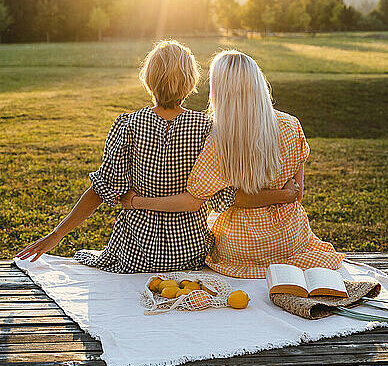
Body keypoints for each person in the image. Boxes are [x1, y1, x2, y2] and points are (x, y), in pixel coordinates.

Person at [16, 40, 241, 272]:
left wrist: (56, 235)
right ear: (191, 81)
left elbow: (100, 190)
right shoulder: (208, 129)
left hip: (136, 253)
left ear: (148, 80)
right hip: (188, 252)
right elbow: (220, 196)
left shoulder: (129, 126)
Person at [126, 50, 345, 278]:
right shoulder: (291, 125)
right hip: (289, 240)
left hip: (240, 248)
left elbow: (203, 200)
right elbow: (297, 194)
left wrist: (135, 201)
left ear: (219, 91)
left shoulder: (218, 140)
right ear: (258, 82)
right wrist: (283, 196)